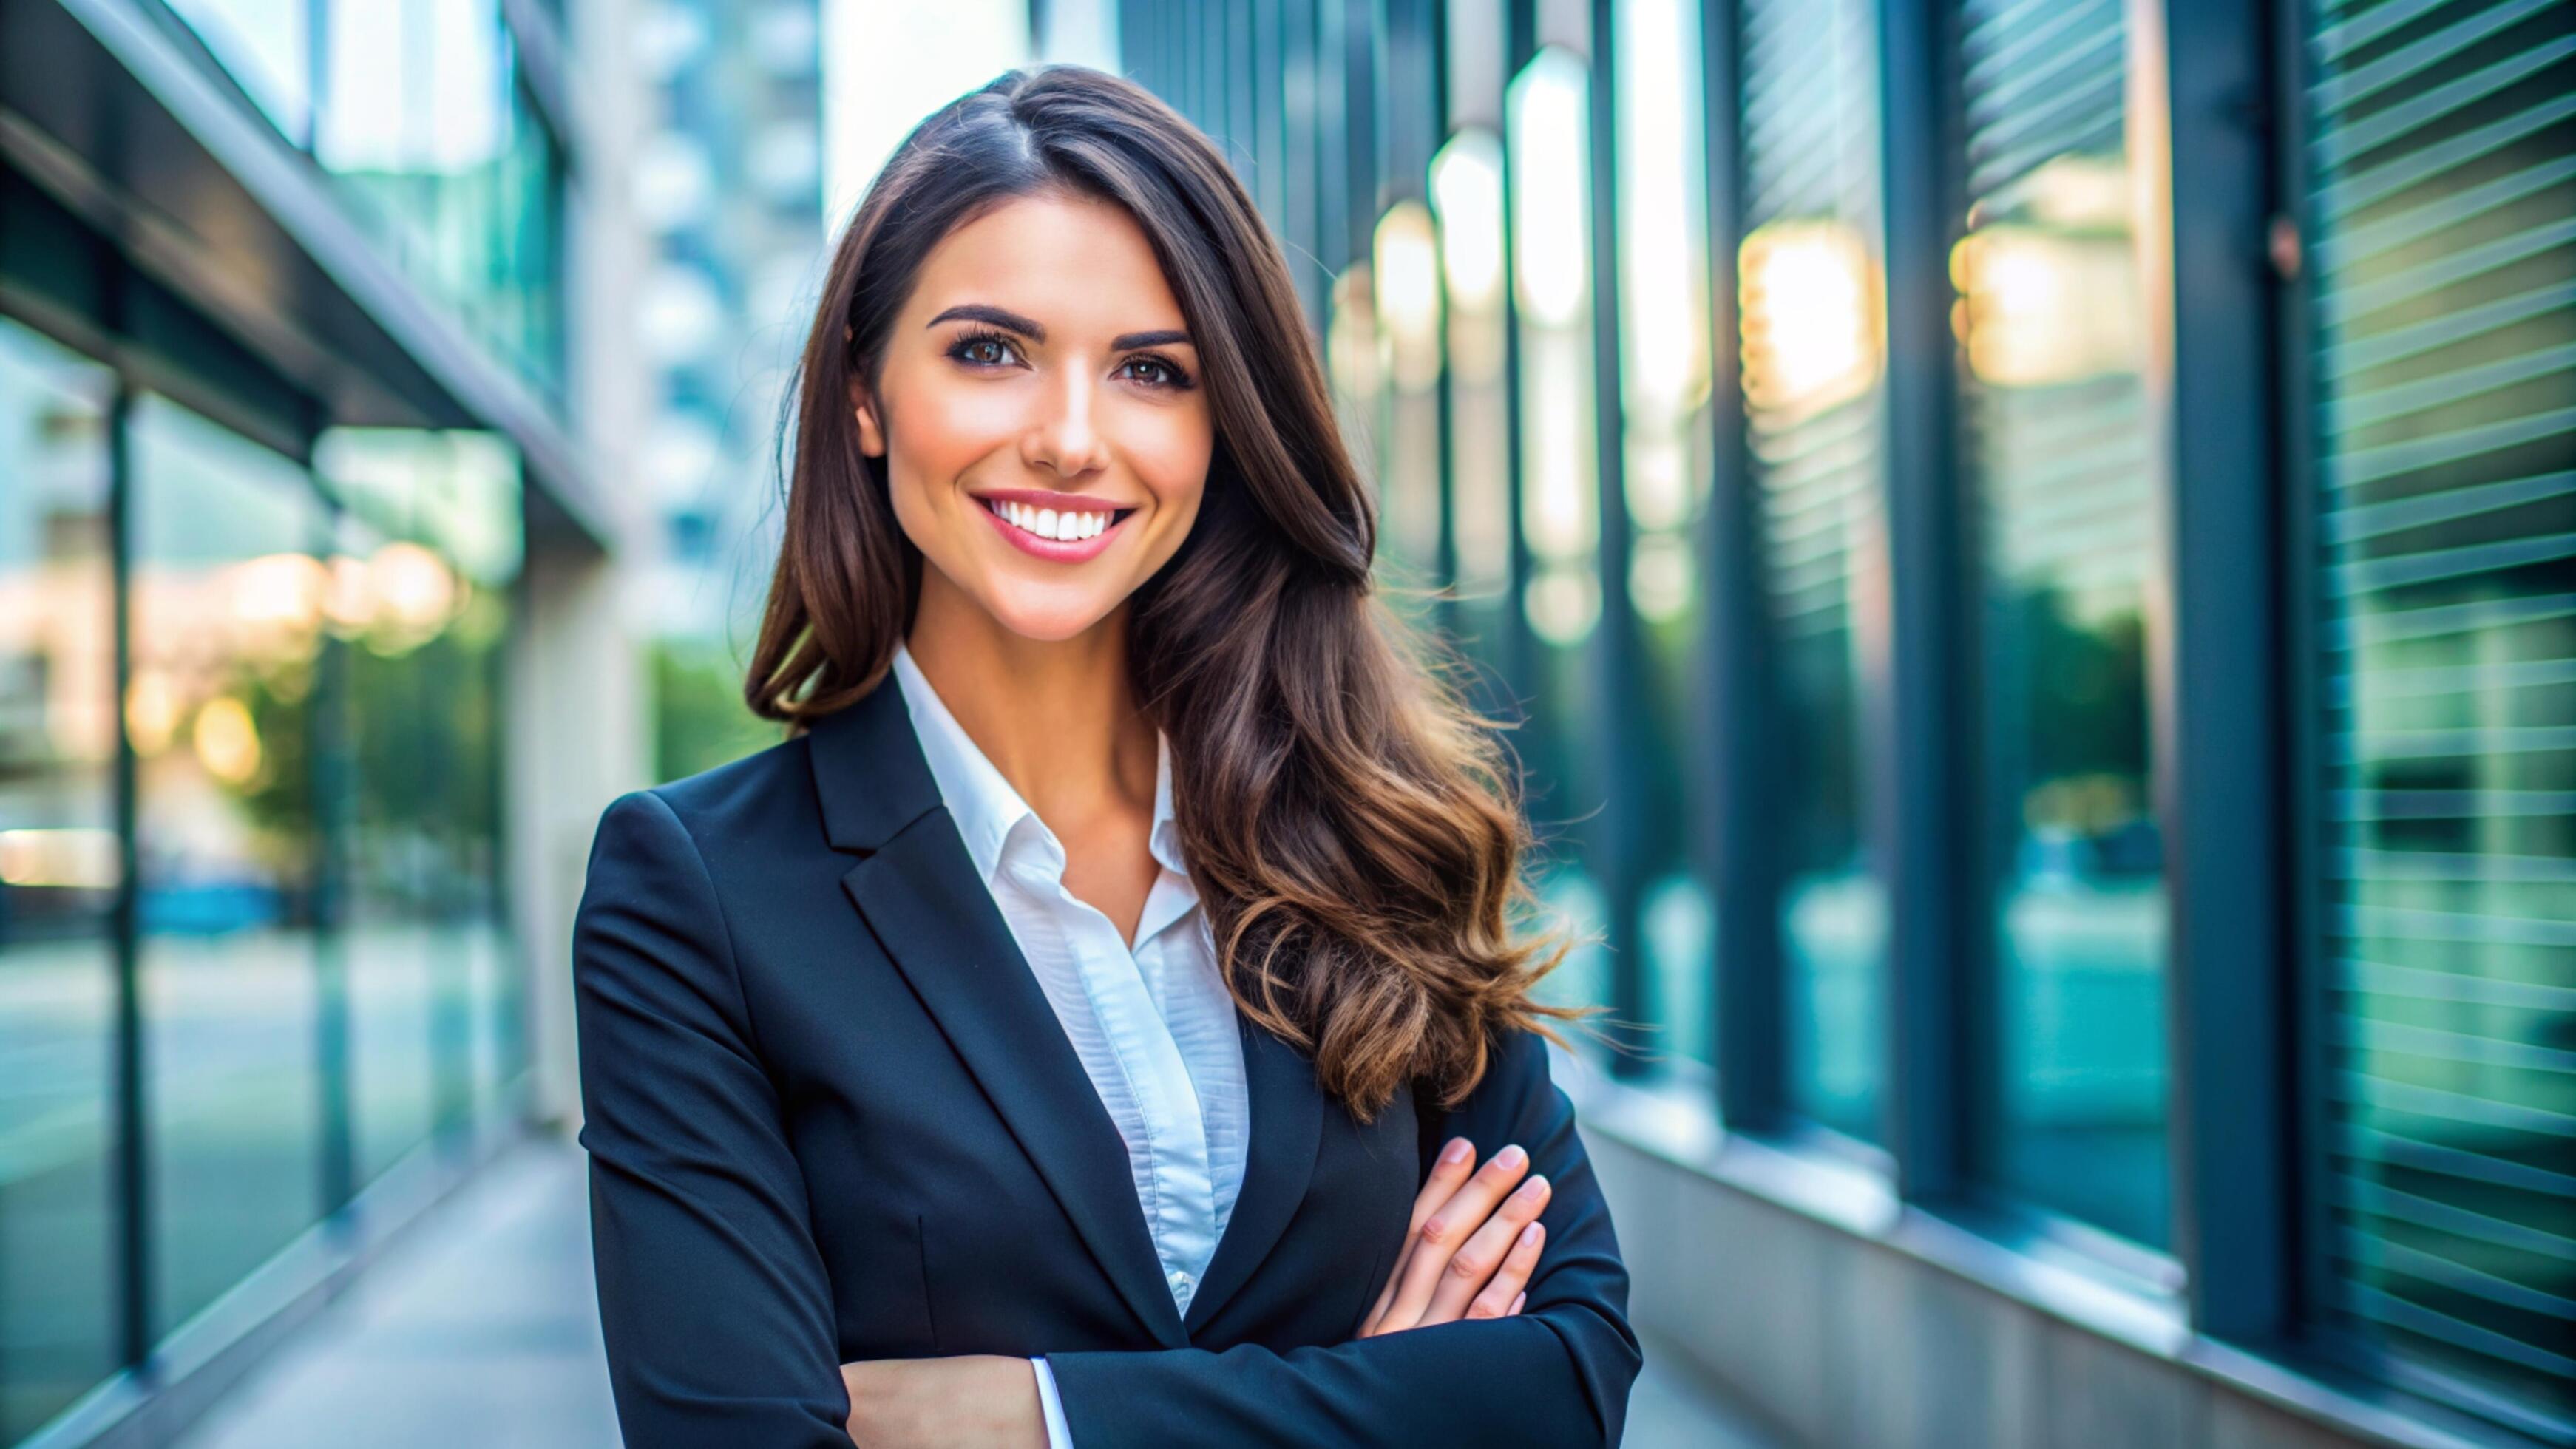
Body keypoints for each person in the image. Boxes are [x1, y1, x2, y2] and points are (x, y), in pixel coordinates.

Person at [571, 64, 1641, 1448]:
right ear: (863, 395)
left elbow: (1566, 1382)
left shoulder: (1373, 833)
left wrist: (1035, 1415)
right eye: (989, 351)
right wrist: (1383, 1405)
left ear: (1222, 424)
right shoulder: (697, 895)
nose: (1071, 439)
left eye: (1151, 370)